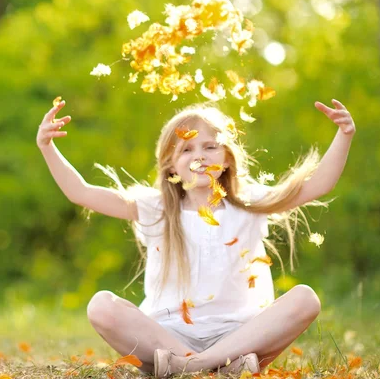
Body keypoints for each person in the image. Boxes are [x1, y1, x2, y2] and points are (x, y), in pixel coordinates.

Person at [36, 100, 355, 377]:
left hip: (240, 337)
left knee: (305, 299)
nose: (199, 155)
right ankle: (202, 365)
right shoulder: (156, 208)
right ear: (171, 164)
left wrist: (344, 135)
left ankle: (191, 366)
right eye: (186, 148)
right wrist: (47, 148)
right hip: (165, 339)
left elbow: (318, 185)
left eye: (209, 146)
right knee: (101, 306)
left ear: (227, 157)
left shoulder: (251, 203)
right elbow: (81, 193)